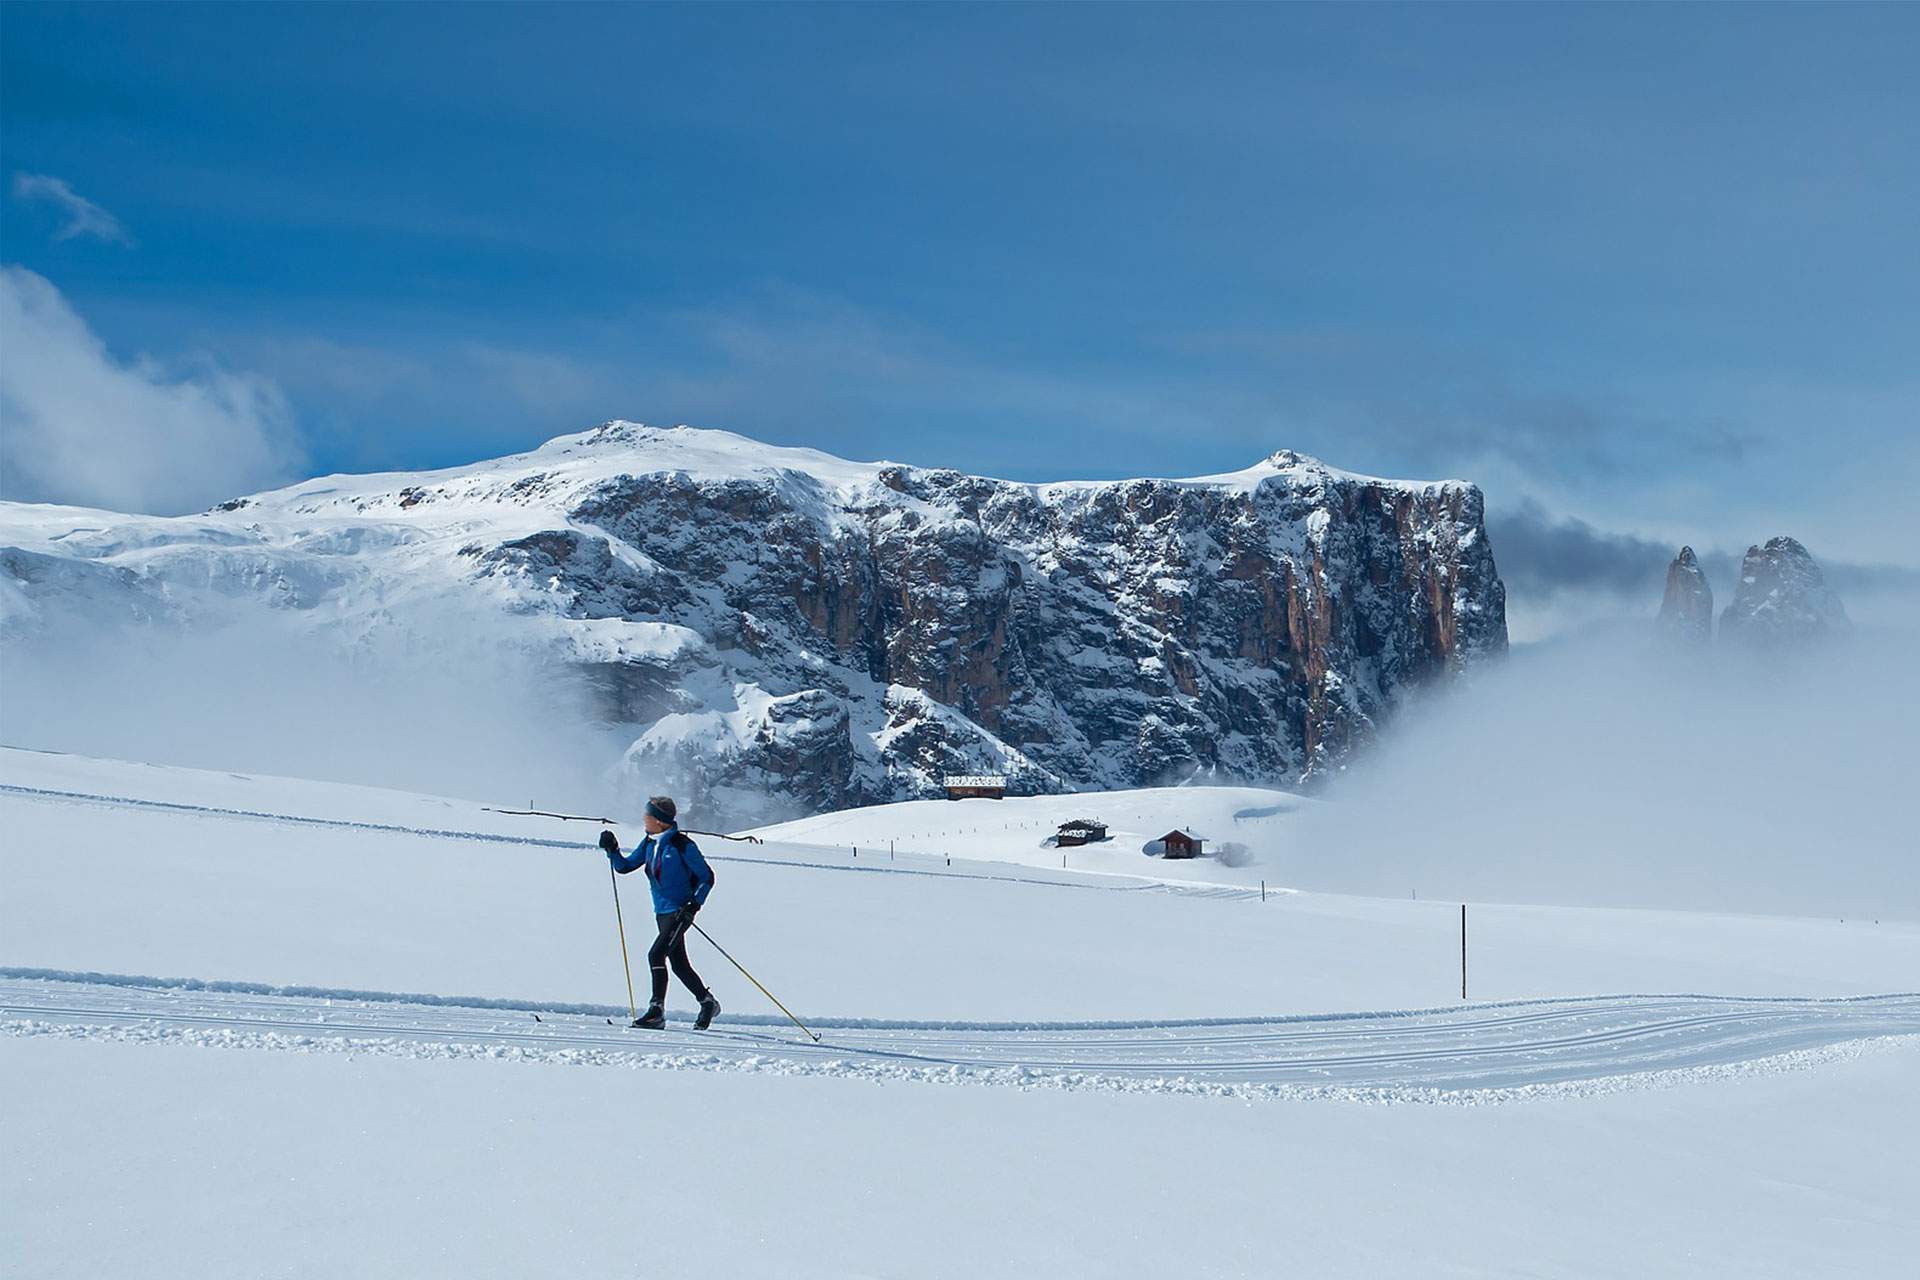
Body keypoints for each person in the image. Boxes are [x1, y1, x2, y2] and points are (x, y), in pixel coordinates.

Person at [599, 796, 720, 1030]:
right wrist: (612, 849)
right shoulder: (649, 843)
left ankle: (656, 1011)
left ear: (660, 821)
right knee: (679, 964)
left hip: (680, 912)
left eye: (648, 815)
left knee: (655, 955)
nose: (644, 818)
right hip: (662, 912)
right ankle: (707, 1003)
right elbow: (625, 867)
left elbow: (707, 877)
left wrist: (694, 905)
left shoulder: (683, 845)